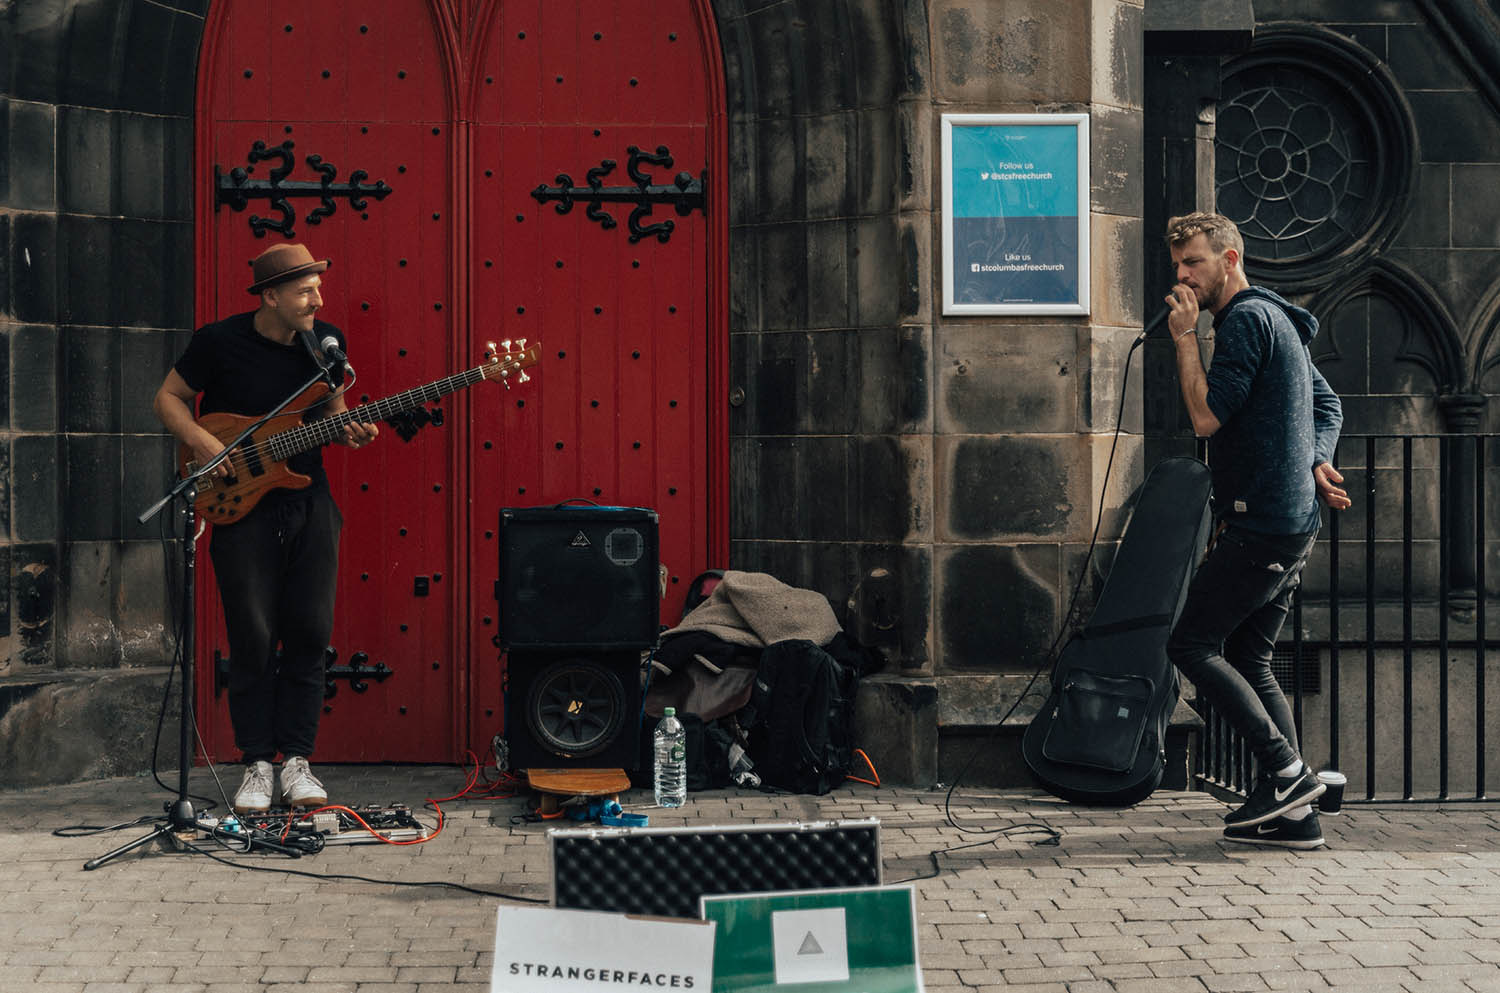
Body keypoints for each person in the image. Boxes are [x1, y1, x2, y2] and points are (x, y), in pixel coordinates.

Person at [153, 243, 379, 815]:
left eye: (318, 288)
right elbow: (169, 398)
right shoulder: (218, 342)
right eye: (304, 290)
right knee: (252, 635)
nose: (317, 299)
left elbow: (332, 411)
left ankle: (297, 760)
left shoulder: (324, 344)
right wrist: (203, 442)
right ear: (271, 296)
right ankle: (257, 762)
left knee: (308, 629)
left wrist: (347, 430)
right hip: (239, 504)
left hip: (308, 499)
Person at [1162, 212, 1351, 850]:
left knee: (1190, 645)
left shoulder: (1244, 321)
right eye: (1179, 266)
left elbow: (1207, 417)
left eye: (1194, 263)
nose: (1183, 278)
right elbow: (1328, 405)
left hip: (1264, 524)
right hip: (1290, 521)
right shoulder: (1278, 320)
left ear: (1231, 258)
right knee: (1250, 655)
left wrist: (1186, 340)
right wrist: (1317, 458)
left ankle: (1287, 771)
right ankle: (1297, 819)